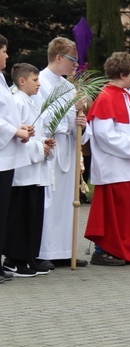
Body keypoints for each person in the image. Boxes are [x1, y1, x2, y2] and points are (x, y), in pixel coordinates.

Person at [84, 52, 130, 266]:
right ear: (123, 73)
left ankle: (125, 251)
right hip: (115, 167)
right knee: (114, 213)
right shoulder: (106, 97)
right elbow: (105, 136)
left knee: (127, 214)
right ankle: (104, 251)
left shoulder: (127, 96)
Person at [37, 36, 88, 269]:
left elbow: (74, 121)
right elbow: (42, 117)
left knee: (68, 202)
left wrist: (82, 121)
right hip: (50, 149)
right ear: (58, 57)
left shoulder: (69, 87)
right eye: (72, 60)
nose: (75, 65)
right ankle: (44, 251)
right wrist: (70, 118)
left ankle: (66, 250)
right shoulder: (39, 82)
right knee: (49, 201)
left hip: (68, 147)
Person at [3, 63, 55, 278]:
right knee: (20, 215)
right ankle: (15, 259)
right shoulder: (17, 101)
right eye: (35, 80)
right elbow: (17, 135)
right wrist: (38, 147)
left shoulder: (32, 102)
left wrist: (46, 143)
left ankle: (28, 256)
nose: (39, 83)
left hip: (36, 167)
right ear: (22, 80)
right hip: (23, 169)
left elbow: (35, 131)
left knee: (33, 214)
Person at [0, 46, 35, 283]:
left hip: (7, 156)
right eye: (3, 51)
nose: (6, 56)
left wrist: (20, 128)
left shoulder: (1, 79)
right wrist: (15, 131)